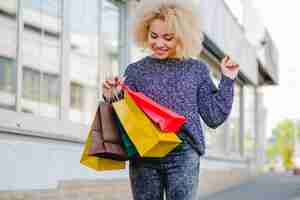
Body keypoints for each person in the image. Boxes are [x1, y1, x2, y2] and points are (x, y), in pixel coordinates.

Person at [102, 0, 240, 199]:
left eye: (168, 37)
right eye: (154, 36)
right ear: (145, 31)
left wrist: (227, 79)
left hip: (183, 154)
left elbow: (214, 116)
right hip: (144, 154)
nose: (159, 43)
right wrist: (111, 96)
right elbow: (122, 120)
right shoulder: (135, 71)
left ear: (182, 37)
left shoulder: (197, 70)